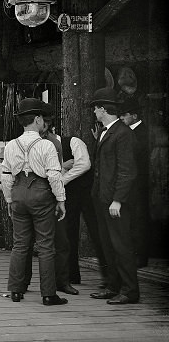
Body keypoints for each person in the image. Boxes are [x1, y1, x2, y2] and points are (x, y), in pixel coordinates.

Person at [0, 98, 67, 306]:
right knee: (46, 245)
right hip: (41, 195)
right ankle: (48, 294)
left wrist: (9, 199)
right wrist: (61, 199)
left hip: (19, 193)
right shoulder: (46, 145)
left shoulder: (11, 145)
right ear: (37, 119)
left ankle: (16, 291)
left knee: (20, 244)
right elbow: (54, 176)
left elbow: (5, 177)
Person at [86, 88, 140, 305]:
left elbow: (127, 171)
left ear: (102, 109)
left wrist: (118, 199)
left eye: (95, 109)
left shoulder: (123, 134)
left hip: (115, 201)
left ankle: (130, 290)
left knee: (121, 245)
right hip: (103, 198)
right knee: (108, 244)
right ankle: (113, 286)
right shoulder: (107, 131)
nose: (94, 113)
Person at [61, 121, 99, 285]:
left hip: (88, 192)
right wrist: (61, 166)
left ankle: (110, 275)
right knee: (70, 233)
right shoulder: (44, 148)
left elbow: (84, 164)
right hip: (68, 195)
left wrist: (63, 179)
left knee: (97, 230)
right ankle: (72, 275)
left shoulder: (73, 141)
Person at [119, 99, 150, 268]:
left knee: (139, 218)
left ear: (134, 116)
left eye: (125, 115)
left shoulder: (141, 133)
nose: (122, 118)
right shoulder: (131, 131)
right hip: (132, 181)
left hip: (139, 181)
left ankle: (140, 255)